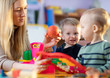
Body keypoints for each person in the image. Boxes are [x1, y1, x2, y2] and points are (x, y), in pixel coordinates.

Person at [0, 0, 61, 73]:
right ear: (6, 12)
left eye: (25, 8)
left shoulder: (21, 29)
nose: (24, 14)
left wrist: (43, 46)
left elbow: (28, 55)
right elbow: (2, 61)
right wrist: (31, 67)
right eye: (18, 10)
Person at [76, 8, 110, 76]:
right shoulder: (83, 49)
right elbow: (76, 65)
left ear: (94, 28)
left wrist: (98, 71)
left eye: (82, 27)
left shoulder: (105, 46)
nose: (80, 30)